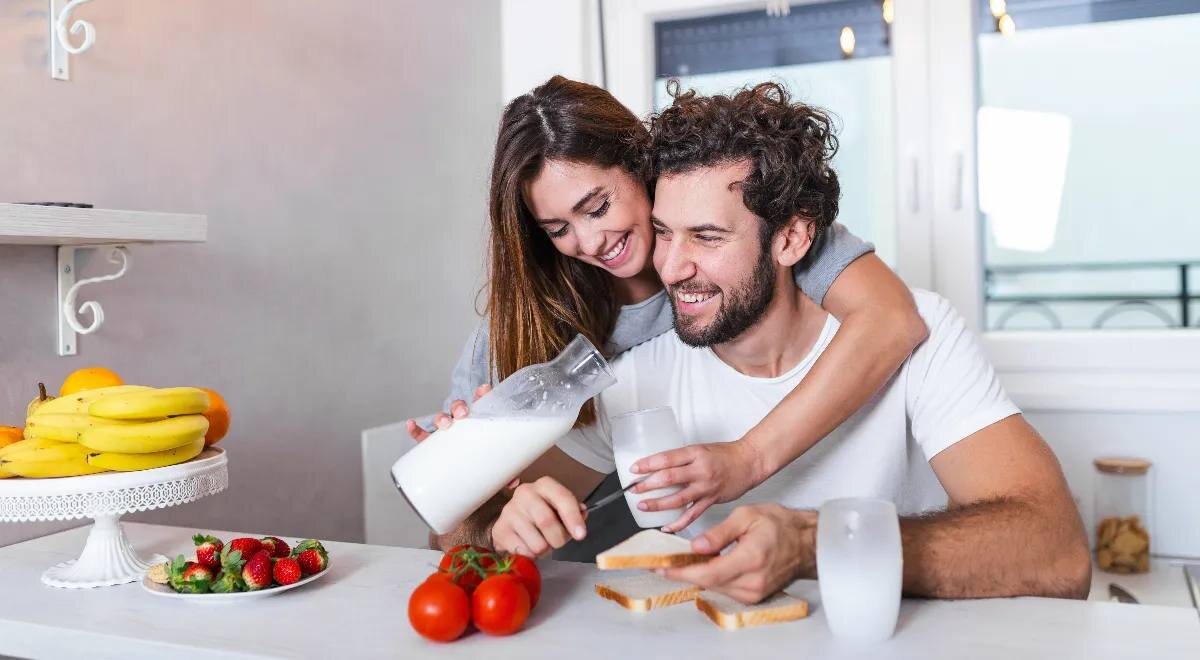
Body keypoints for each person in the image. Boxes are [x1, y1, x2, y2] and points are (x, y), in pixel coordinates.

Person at [438, 82, 1091, 603]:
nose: (671, 268)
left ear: (792, 239)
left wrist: (815, 543)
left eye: (708, 237)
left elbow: (1058, 552)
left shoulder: (919, 331)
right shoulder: (634, 378)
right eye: (664, 233)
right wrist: (502, 515)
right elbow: (466, 531)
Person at [409, 77, 928, 556]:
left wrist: (748, 458)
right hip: (577, 566)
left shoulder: (750, 236)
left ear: (639, 167)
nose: (589, 242)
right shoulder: (525, 329)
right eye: (558, 229)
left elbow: (890, 319)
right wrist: (485, 495)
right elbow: (445, 532)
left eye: (597, 207)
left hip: (697, 543)